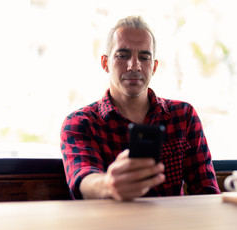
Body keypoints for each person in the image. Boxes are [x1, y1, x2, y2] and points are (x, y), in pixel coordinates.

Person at [60, 16, 221, 201]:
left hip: (173, 227)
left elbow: (207, 189)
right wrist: (108, 184)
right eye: (122, 55)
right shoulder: (81, 122)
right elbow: (82, 180)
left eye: (144, 57)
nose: (134, 65)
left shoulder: (184, 116)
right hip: (111, 228)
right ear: (105, 63)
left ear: (154, 67)